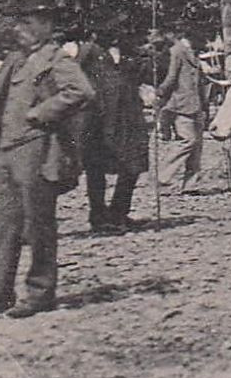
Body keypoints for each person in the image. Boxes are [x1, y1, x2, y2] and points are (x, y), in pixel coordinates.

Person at [0, 0, 93, 319]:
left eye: (27, 23)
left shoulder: (56, 59)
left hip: (38, 150)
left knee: (39, 225)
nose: (18, 30)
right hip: (7, 152)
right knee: (2, 226)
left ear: (45, 26)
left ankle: (40, 292)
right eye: (18, 23)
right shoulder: (13, 61)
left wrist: (40, 113)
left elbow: (81, 91)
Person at [75, 32, 151, 232]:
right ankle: (98, 216)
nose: (115, 30)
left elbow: (145, 75)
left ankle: (119, 212)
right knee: (96, 167)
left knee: (133, 162)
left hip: (129, 115)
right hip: (99, 117)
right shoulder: (89, 50)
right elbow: (75, 79)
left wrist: (147, 60)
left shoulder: (130, 50)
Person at [154, 29, 209, 193]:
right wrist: (160, 93)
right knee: (188, 141)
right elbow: (171, 78)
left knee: (197, 145)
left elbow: (199, 81)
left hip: (196, 104)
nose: (206, 42)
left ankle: (191, 185)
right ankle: (163, 177)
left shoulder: (193, 52)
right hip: (180, 104)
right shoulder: (177, 51)